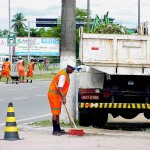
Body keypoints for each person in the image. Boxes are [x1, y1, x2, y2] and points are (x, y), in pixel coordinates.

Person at [47, 65, 78, 136]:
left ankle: (58, 129)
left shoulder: (66, 73)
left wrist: (62, 97)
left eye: (73, 70)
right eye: (72, 69)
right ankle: (55, 130)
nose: (72, 71)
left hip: (58, 95)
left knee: (57, 112)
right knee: (55, 112)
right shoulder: (63, 76)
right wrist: (64, 97)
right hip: (54, 95)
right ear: (68, 67)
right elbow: (59, 88)